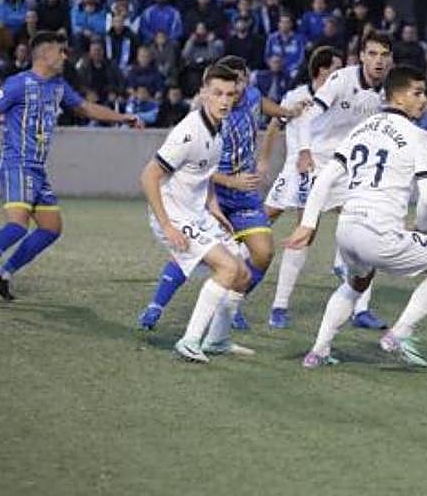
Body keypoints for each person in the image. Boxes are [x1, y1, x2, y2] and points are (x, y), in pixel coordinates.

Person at [285, 66, 427, 368]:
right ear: (397, 96)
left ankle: (318, 351)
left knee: (357, 283)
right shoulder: (417, 135)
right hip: (379, 232)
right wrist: (421, 231)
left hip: (347, 229)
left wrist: (308, 223)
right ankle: (399, 334)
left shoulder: (363, 128)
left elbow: (326, 176)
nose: (424, 100)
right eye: (417, 93)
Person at [0, 32, 140, 303]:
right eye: (60, 52)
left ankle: (2, 274)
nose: (65, 56)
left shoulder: (58, 85)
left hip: (36, 168)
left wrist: (124, 117)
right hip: (16, 162)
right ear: (45, 54)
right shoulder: (19, 83)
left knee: (51, 228)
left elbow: (86, 108)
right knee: (17, 226)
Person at [137, 56, 300, 330]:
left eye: (235, 87)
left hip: (228, 198)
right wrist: (228, 185)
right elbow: (166, 172)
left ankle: (227, 309)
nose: (229, 96)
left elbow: (271, 113)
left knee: (258, 255)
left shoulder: (236, 109)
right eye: (221, 91)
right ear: (206, 92)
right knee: (205, 255)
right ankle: (178, 325)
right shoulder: (199, 123)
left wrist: (291, 112)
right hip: (198, 200)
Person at [275, 32, 396, 328]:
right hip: (318, 160)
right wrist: (304, 151)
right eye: (373, 53)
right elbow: (306, 116)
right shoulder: (341, 80)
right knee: (306, 229)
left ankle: (361, 310)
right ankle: (279, 305)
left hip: (352, 166)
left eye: (384, 54)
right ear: (362, 57)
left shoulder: (388, 91)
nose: (378, 60)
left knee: (367, 228)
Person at [138, 62, 253, 362]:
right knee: (227, 269)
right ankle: (189, 341)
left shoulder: (219, 128)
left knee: (242, 272)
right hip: (174, 216)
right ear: (203, 94)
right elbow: (148, 176)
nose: (225, 100)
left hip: (196, 213)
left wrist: (215, 210)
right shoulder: (188, 133)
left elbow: (204, 177)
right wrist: (167, 225)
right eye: (217, 93)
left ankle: (217, 340)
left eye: (230, 94)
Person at [261, 48, 344, 327]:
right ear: (322, 70)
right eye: (337, 67)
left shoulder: (340, 96)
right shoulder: (297, 96)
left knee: (307, 232)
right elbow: (275, 124)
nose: (342, 73)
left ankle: (279, 306)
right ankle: (229, 273)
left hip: (322, 174)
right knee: (260, 224)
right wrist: (263, 159)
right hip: (293, 171)